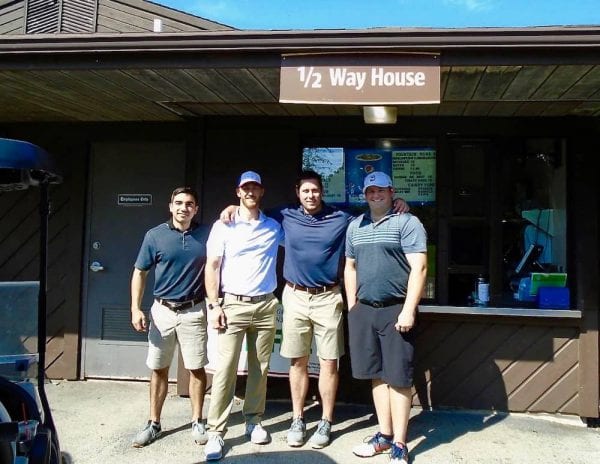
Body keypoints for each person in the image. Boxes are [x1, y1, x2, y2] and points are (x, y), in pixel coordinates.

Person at [219, 170, 408, 449]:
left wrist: (400, 202)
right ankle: (298, 418)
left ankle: (326, 421)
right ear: (298, 193)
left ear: (322, 192)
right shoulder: (285, 215)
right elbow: (252, 208)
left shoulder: (341, 217)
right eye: (305, 191)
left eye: (315, 191)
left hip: (328, 297)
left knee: (330, 362)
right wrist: (233, 207)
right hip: (294, 296)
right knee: (298, 361)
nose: (311, 196)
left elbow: (374, 207)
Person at [344, 171, 427, 464]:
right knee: (377, 376)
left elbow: (420, 268)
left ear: (391, 191)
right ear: (364, 195)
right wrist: (353, 305)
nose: (375, 195)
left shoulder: (408, 222)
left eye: (380, 190)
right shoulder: (355, 226)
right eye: (370, 191)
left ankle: (400, 445)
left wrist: (407, 309)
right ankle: (384, 435)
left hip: (396, 309)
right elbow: (350, 267)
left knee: (399, 377)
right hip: (365, 310)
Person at [203, 171, 283, 461]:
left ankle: (253, 420)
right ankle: (216, 432)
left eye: (255, 188)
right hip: (232, 304)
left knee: (259, 367)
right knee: (225, 369)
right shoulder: (223, 225)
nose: (250, 192)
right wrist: (214, 305)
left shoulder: (274, 226)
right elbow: (212, 266)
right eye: (245, 188)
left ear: (261, 192)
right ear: (238, 192)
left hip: (265, 305)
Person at [130, 187, 210, 448]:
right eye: (178, 203)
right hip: (162, 311)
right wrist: (135, 308)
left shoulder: (207, 235)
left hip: (194, 310)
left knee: (196, 369)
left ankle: (198, 420)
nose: (183, 208)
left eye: (189, 204)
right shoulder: (155, 236)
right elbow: (140, 272)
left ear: (196, 209)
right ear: (170, 206)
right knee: (159, 368)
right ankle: (153, 423)